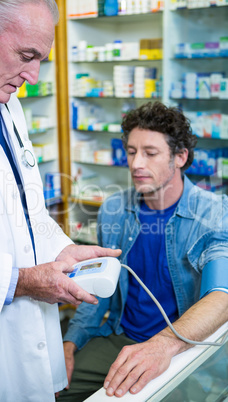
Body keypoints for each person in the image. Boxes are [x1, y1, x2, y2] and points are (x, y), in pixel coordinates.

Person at [0, 1, 121, 401]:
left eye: (40, 60)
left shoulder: (8, 105)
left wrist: (64, 248)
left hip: (26, 341)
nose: (32, 77)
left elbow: (26, 211)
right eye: (26, 55)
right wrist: (21, 281)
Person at [60, 102, 228, 401]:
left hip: (182, 346)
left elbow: (222, 296)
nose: (137, 163)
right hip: (121, 340)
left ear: (180, 157)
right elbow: (98, 291)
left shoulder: (214, 213)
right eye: (131, 151)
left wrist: (162, 346)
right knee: (57, 390)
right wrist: (70, 344)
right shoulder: (114, 210)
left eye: (150, 153)